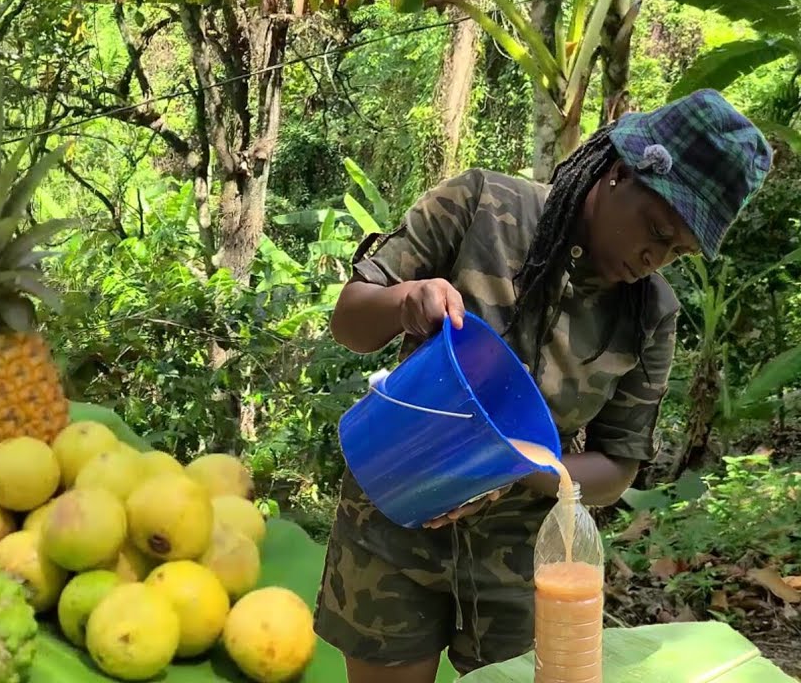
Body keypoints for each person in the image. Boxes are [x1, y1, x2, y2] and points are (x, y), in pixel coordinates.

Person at [313, 88, 774, 682]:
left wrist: (511, 469)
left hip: (523, 563)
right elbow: (350, 323)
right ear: (618, 172)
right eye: (657, 231)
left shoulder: (650, 313)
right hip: (393, 509)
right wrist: (406, 301)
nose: (655, 259)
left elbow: (617, 466)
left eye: (678, 252)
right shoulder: (481, 205)